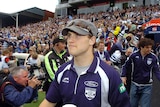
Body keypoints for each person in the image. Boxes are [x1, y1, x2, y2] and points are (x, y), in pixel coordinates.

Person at [39, 19, 130, 107]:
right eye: (69, 36)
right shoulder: (62, 72)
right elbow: (49, 102)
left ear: (92, 40)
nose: (70, 40)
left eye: (78, 35)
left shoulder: (109, 75)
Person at [121, 38, 160, 107]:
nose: (149, 49)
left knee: (145, 105)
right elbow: (125, 66)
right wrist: (123, 76)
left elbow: (156, 71)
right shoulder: (134, 56)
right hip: (135, 84)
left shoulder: (153, 57)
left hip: (147, 86)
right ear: (141, 47)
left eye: (150, 47)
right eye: (147, 47)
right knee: (132, 104)